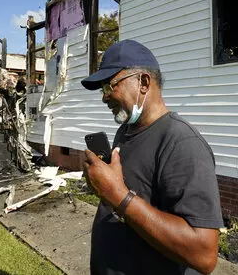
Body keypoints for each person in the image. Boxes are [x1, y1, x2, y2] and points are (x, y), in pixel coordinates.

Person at [81, 40, 224, 275]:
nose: (104, 98)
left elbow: (204, 255)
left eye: (109, 86)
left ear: (144, 83)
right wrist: (101, 185)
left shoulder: (181, 142)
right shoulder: (125, 130)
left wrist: (119, 196)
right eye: (102, 90)